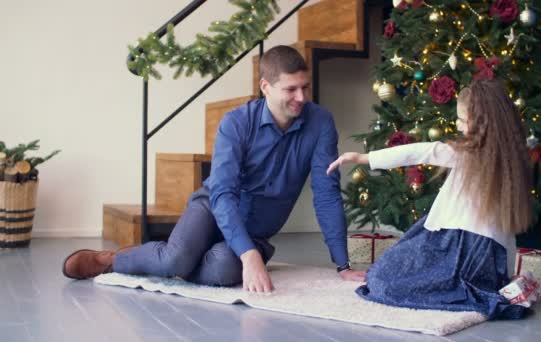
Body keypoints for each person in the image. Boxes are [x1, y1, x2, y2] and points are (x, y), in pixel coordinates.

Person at [63, 45, 365, 292]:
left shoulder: (320, 123)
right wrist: (249, 256)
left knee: (221, 269)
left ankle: (172, 259)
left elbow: (326, 193)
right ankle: (115, 260)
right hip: (212, 207)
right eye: (291, 89)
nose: (301, 97)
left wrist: (343, 265)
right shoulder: (236, 123)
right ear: (265, 87)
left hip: (256, 228)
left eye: (305, 87)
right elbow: (222, 192)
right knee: (176, 259)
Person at [326, 78, 533, 319]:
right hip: (471, 249)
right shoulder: (508, 162)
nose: (458, 125)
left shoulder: (469, 155)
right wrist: (505, 275)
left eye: (463, 120)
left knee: (382, 280)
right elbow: (505, 238)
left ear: (483, 124)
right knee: (384, 275)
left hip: (458, 248)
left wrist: (364, 158)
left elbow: (420, 151)